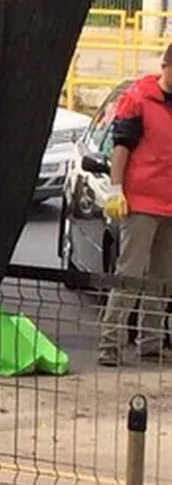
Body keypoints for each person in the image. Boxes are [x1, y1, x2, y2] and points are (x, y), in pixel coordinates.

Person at [96, 44, 172, 367]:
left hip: (170, 205)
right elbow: (121, 147)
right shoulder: (139, 99)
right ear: (166, 65)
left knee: (161, 278)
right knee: (129, 274)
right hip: (140, 203)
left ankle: (151, 344)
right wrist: (116, 189)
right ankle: (109, 343)